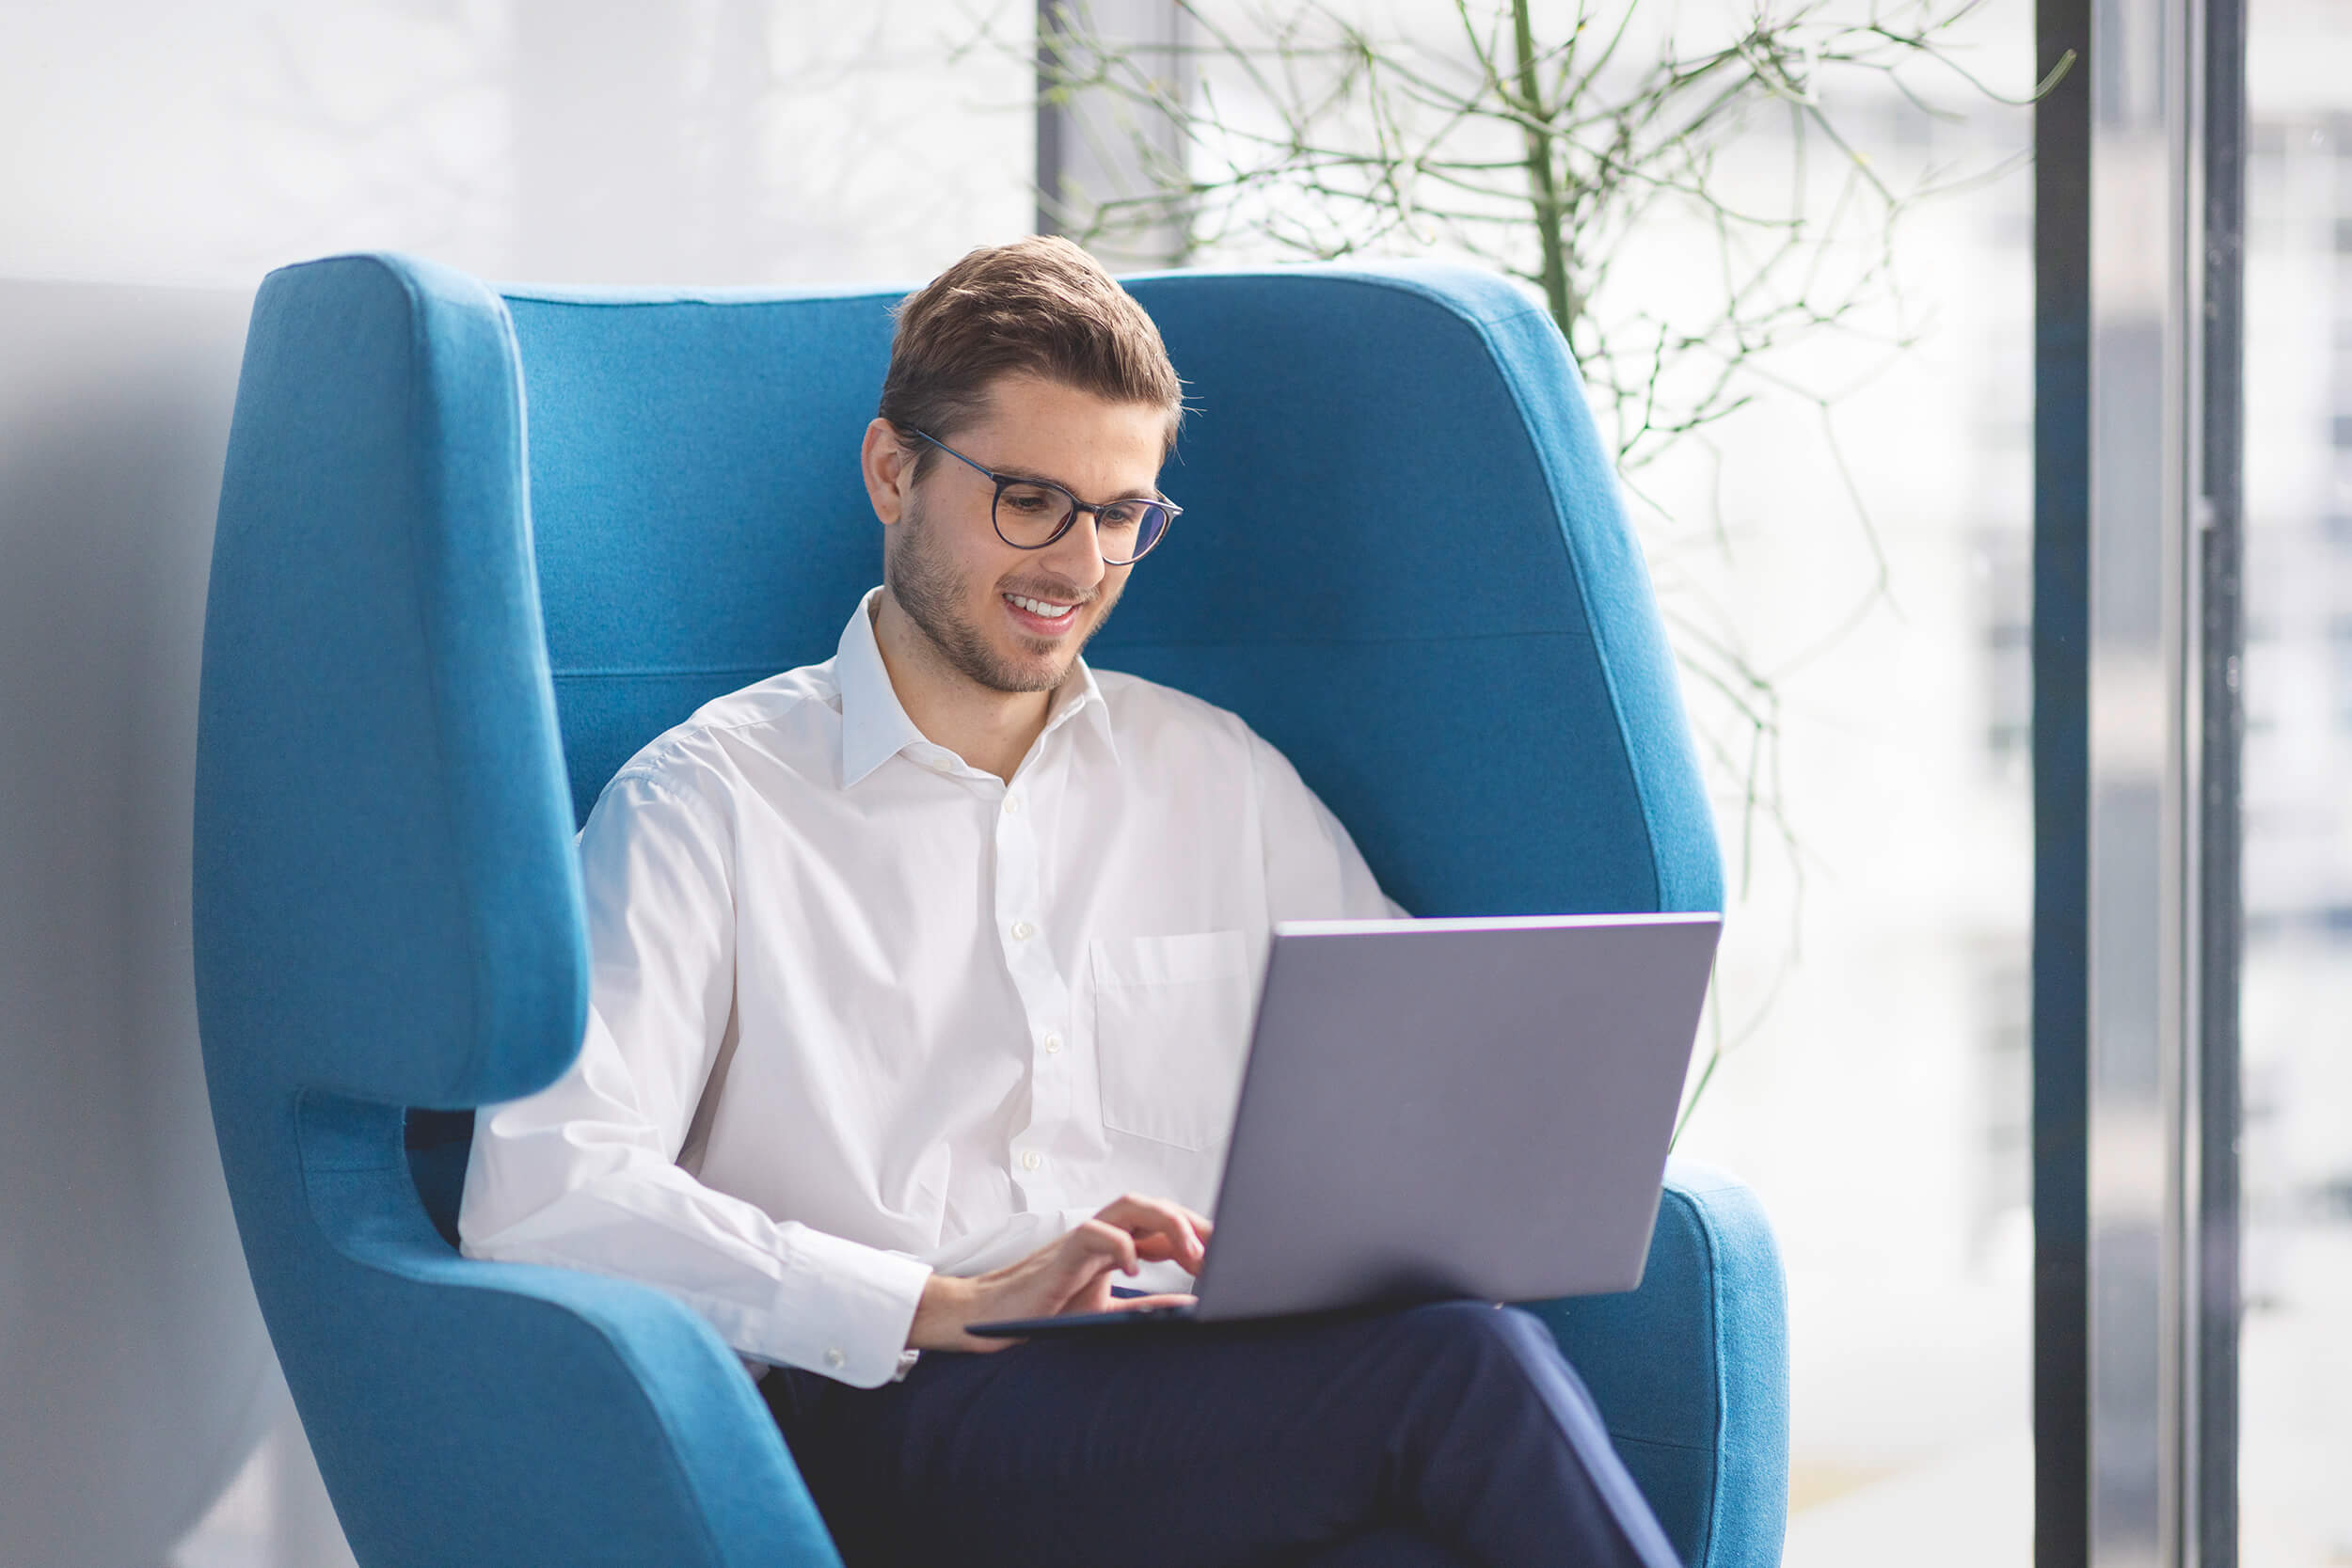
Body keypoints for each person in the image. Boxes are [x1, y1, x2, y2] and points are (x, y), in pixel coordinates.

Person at [459, 236, 1680, 1568]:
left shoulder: (1217, 774)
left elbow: (1413, 1078)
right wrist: (936, 1300)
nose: (1078, 565)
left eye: (1121, 515)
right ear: (894, 472)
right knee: (1463, 1376)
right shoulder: (714, 801)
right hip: (882, 1402)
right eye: (1032, 500)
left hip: (1192, 1383)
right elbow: (539, 1190)